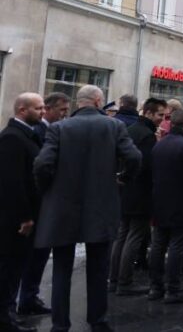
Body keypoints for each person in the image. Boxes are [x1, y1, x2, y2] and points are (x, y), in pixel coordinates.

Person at [34, 85, 142, 332]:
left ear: (79, 103)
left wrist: (48, 189)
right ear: (97, 101)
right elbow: (134, 157)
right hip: (101, 205)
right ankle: (98, 321)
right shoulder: (114, 126)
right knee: (98, 267)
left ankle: (60, 325)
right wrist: (124, 179)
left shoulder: (60, 128)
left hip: (62, 206)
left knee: (62, 269)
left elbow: (42, 164)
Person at [16, 93, 65, 320]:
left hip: (43, 204)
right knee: (32, 256)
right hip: (37, 204)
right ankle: (24, 299)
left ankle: (29, 296)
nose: (64, 114)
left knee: (39, 255)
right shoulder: (37, 132)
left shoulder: (47, 130)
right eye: (62, 110)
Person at [110, 98, 167, 296]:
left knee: (122, 234)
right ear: (149, 113)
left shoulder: (131, 130)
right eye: (160, 115)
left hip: (125, 190)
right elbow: (147, 166)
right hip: (139, 192)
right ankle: (124, 281)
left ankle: (114, 279)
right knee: (134, 235)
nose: (162, 119)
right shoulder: (147, 135)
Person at [147, 109, 183, 304]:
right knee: (177, 246)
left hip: (160, 202)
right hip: (182, 203)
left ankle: (155, 287)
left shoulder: (159, 146)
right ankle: (173, 288)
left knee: (158, 245)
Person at [0, 93, 44, 332]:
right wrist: (24, 217)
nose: (43, 111)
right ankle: (4, 318)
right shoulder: (12, 138)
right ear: (21, 110)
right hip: (15, 220)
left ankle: (7, 313)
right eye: (38, 108)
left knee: (16, 267)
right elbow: (13, 182)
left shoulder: (26, 135)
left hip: (26, 215)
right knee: (9, 267)